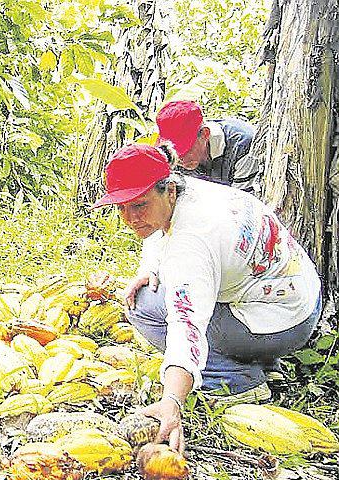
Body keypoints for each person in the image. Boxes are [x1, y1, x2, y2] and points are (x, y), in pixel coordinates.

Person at [93, 143, 322, 453]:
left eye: (139, 205)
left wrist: (172, 401)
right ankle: (262, 360)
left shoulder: (192, 242)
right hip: (299, 300)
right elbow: (158, 233)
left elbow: (186, 324)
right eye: (121, 207)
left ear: (168, 191)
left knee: (143, 307)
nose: (130, 218)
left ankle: (236, 380)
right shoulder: (188, 191)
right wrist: (150, 268)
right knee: (152, 292)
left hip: (282, 323)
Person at [156, 100, 261, 196]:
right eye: (174, 153)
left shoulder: (242, 147)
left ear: (205, 134)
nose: (180, 159)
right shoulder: (168, 156)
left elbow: (244, 203)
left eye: (185, 151)